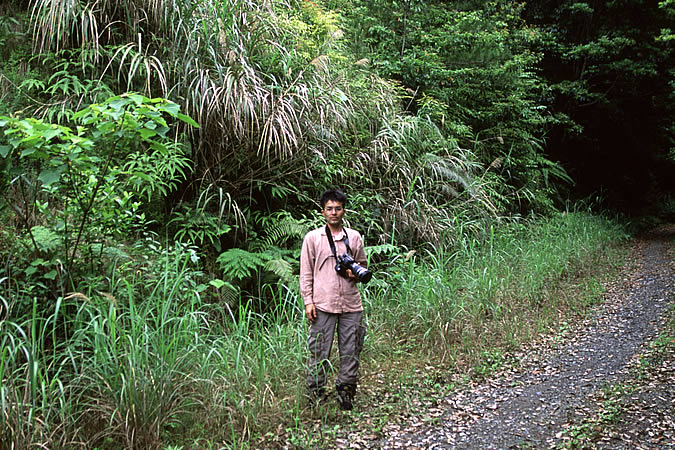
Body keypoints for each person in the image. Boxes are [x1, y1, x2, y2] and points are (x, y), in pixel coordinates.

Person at [300, 188, 368, 410]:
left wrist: (351, 272)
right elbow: (306, 272)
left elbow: (363, 268)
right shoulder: (313, 238)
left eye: (338, 209)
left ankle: (346, 391)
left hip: (350, 303)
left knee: (351, 348)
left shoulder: (354, 236)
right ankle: (316, 393)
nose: (334, 213)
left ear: (343, 211)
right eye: (329, 209)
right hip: (323, 304)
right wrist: (308, 301)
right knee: (319, 350)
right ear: (323, 212)